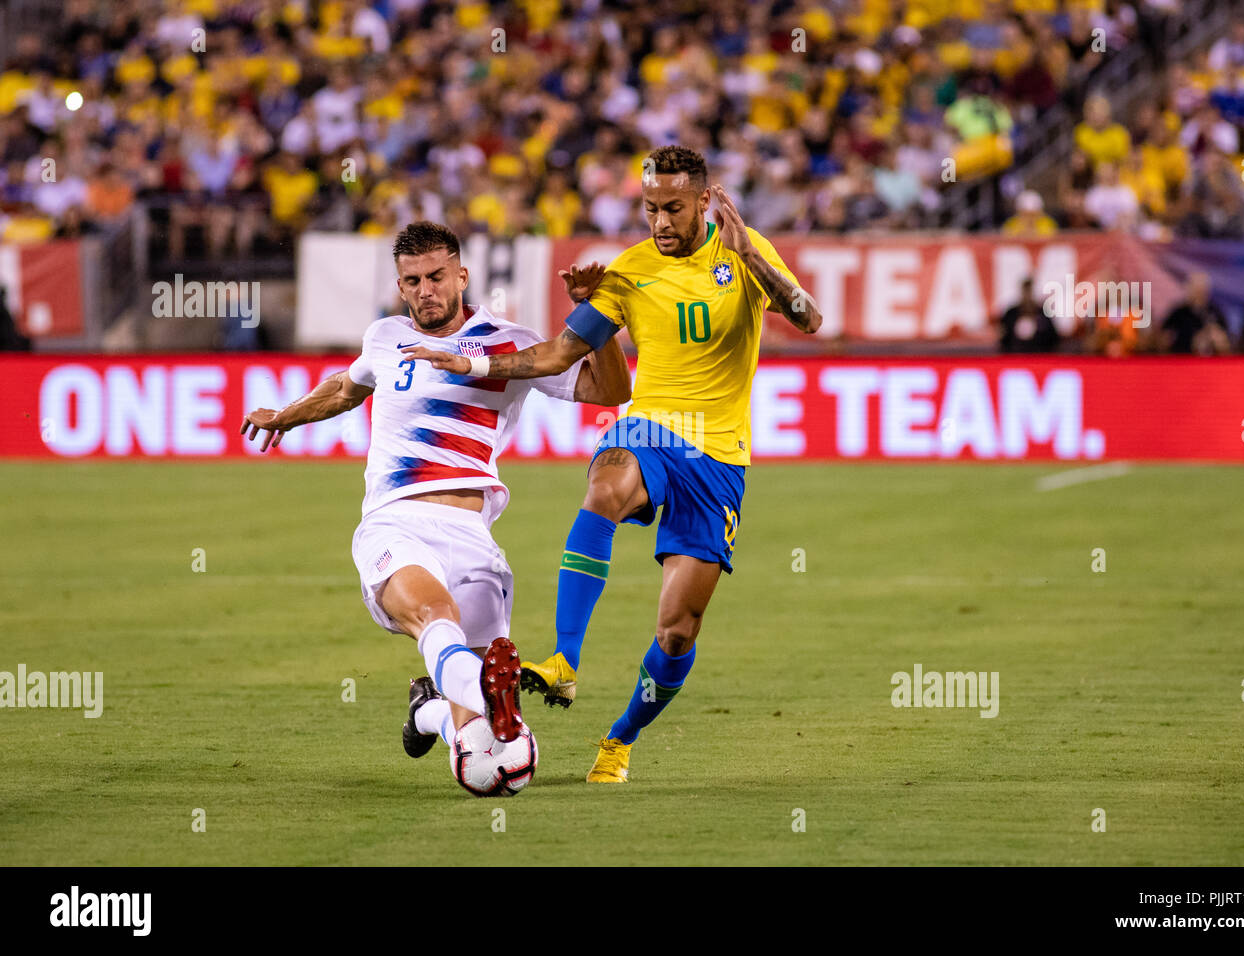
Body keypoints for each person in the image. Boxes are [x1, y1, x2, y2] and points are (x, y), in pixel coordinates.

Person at [404, 146, 822, 783]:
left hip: (718, 457)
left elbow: (808, 319)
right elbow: (557, 354)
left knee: (678, 631)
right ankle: (564, 661)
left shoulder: (743, 254)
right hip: (650, 427)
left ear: (704, 202)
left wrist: (751, 255)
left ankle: (621, 738)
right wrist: (480, 363)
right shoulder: (629, 272)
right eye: (650, 207)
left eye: (674, 208)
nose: (659, 221)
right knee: (606, 485)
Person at [239, 221, 630, 769]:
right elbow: (346, 388)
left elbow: (611, 390)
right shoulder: (385, 336)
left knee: (483, 751)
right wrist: (285, 416)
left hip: (472, 536)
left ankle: (429, 709)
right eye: (413, 280)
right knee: (437, 615)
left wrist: (602, 321)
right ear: (401, 287)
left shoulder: (509, 343)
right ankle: (480, 697)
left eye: (437, 276)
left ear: (462, 275)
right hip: (396, 523)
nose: (426, 289)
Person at [1160, 272, 1231, 354]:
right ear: (1189, 290)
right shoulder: (1178, 313)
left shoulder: (1216, 312)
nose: (1199, 294)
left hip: (1212, 360)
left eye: (1202, 290)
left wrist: (1219, 340)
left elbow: (1227, 343)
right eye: (1196, 290)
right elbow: (1163, 340)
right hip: (1183, 358)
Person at [998, 278, 1060, 353]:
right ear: (1021, 292)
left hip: (1039, 354)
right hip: (1015, 353)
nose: (1027, 295)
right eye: (1025, 291)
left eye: (1029, 291)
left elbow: (1053, 336)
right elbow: (1003, 335)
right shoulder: (1011, 313)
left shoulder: (1042, 313)